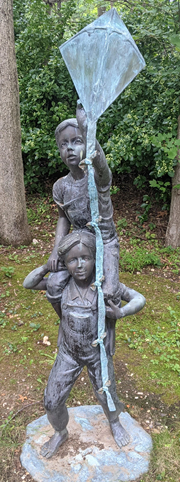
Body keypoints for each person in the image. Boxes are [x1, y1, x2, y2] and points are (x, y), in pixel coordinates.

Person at [41, 230, 146, 459]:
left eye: (85, 258)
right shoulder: (62, 285)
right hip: (69, 353)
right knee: (51, 400)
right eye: (72, 260)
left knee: (106, 393)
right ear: (65, 263)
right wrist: (47, 266)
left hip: (97, 353)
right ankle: (60, 432)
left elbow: (139, 298)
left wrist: (122, 312)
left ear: (95, 259)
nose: (80, 265)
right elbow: (29, 282)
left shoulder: (105, 286)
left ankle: (115, 422)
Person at [23, 102, 120, 349]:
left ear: (86, 144)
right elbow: (63, 218)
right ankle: (67, 329)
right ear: (59, 150)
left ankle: (107, 332)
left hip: (102, 242)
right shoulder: (61, 187)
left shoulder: (97, 179)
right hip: (76, 244)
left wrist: (88, 129)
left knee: (108, 291)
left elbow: (101, 165)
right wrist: (56, 250)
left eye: (77, 141)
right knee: (54, 285)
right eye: (64, 144)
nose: (70, 149)